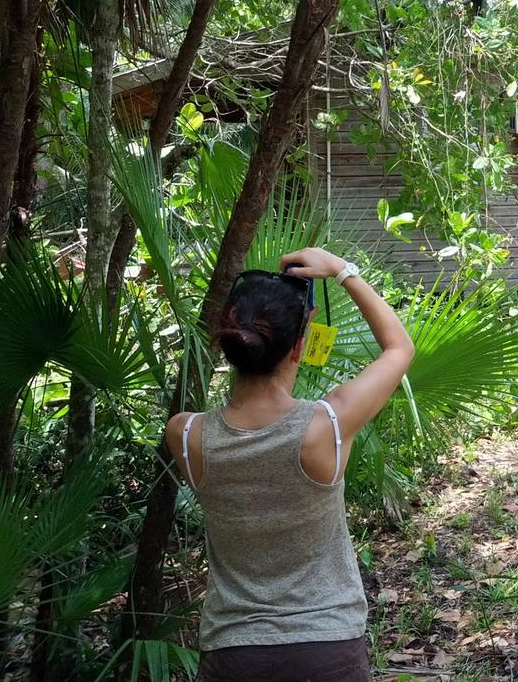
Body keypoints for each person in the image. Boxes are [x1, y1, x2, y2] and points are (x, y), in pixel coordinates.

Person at [166, 247, 415, 682]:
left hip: (232, 654)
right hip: (327, 650)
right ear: (300, 346)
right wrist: (342, 270)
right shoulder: (326, 426)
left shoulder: (186, 435)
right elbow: (398, 348)